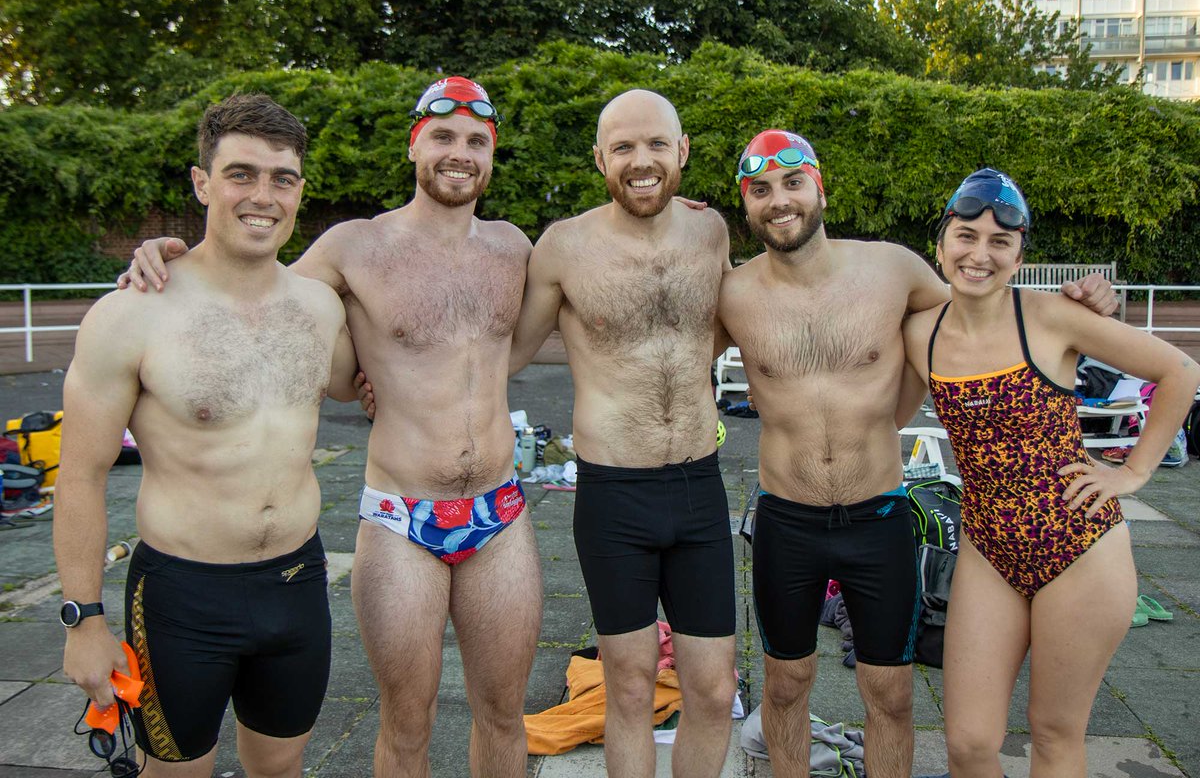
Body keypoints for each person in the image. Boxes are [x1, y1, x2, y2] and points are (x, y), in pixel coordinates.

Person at [118, 77, 541, 778]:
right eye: (442, 137)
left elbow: (568, 289)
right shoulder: (355, 246)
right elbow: (251, 290)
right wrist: (168, 257)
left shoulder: (512, 246)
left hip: (500, 511)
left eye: (476, 141)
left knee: (504, 715)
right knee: (407, 721)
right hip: (403, 515)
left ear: (492, 155)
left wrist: (667, 211)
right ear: (415, 146)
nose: (459, 153)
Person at [714, 131, 1118, 778]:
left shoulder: (893, 270)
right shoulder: (732, 294)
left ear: (819, 187)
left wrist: (1090, 309)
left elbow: (987, 306)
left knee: (892, 694)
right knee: (785, 686)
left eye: (792, 183)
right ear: (747, 205)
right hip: (786, 520)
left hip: (880, 518)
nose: (779, 200)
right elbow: (662, 350)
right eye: (760, 190)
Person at [55, 93, 359, 778]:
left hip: (296, 583)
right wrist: (83, 621)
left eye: (282, 178)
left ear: (300, 190)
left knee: (281, 768)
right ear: (202, 183)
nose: (263, 195)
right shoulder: (130, 315)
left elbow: (359, 379)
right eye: (241, 174)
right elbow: (79, 476)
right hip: (180, 598)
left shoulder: (320, 307)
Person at [900, 168, 1200, 777]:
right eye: (965, 235)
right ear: (940, 244)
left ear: (1018, 256)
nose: (979, 254)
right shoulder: (918, 334)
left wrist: (1133, 471)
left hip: (1080, 547)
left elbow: (1179, 373)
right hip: (988, 547)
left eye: (999, 243)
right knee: (970, 742)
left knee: (1055, 732)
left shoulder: (1051, 318)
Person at [508, 89, 738, 778]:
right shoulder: (564, 247)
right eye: (625, 148)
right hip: (613, 499)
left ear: (682, 151)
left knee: (714, 688)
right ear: (600, 158)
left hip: (700, 488)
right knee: (631, 688)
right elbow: (503, 350)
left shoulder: (711, 232)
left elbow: (742, 318)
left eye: (657, 145)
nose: (642, 162)